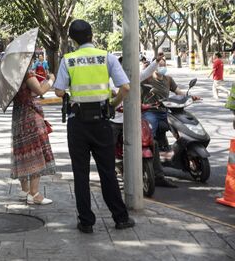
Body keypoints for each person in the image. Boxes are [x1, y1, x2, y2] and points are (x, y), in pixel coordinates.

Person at [54, 19, 135, 234]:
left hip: (78, 124)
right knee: (107, 171)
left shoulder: (68, 60)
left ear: (72, 39)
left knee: (80, 174)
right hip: (102, 122)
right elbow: (125, 88)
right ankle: (120, 218)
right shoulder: (106, 57)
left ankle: (86, 221)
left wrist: (71, 91)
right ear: (92, 35)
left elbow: (59, 92)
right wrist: (111, 105)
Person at [141, 57, 201, 188]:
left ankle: (178, 153)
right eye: (159, 65)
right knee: (150, 139)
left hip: (165, 111)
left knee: (180, 129)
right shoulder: (147, 79)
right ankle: (150, 165)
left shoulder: (168, 79)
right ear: (154, 66)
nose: (162, 67)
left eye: (164, 64)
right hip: (150, 112)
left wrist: (190, 97)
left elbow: (178, 92)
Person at [12, 61, 56, 205]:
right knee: (36, 153)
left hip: (18, 117)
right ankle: (35, 194)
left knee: (23, 153)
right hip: (31, 117)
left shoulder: (13, 74)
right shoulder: (27, 74)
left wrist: (42, 81)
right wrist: (50, 80)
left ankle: (25, 191)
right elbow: (40, 91)